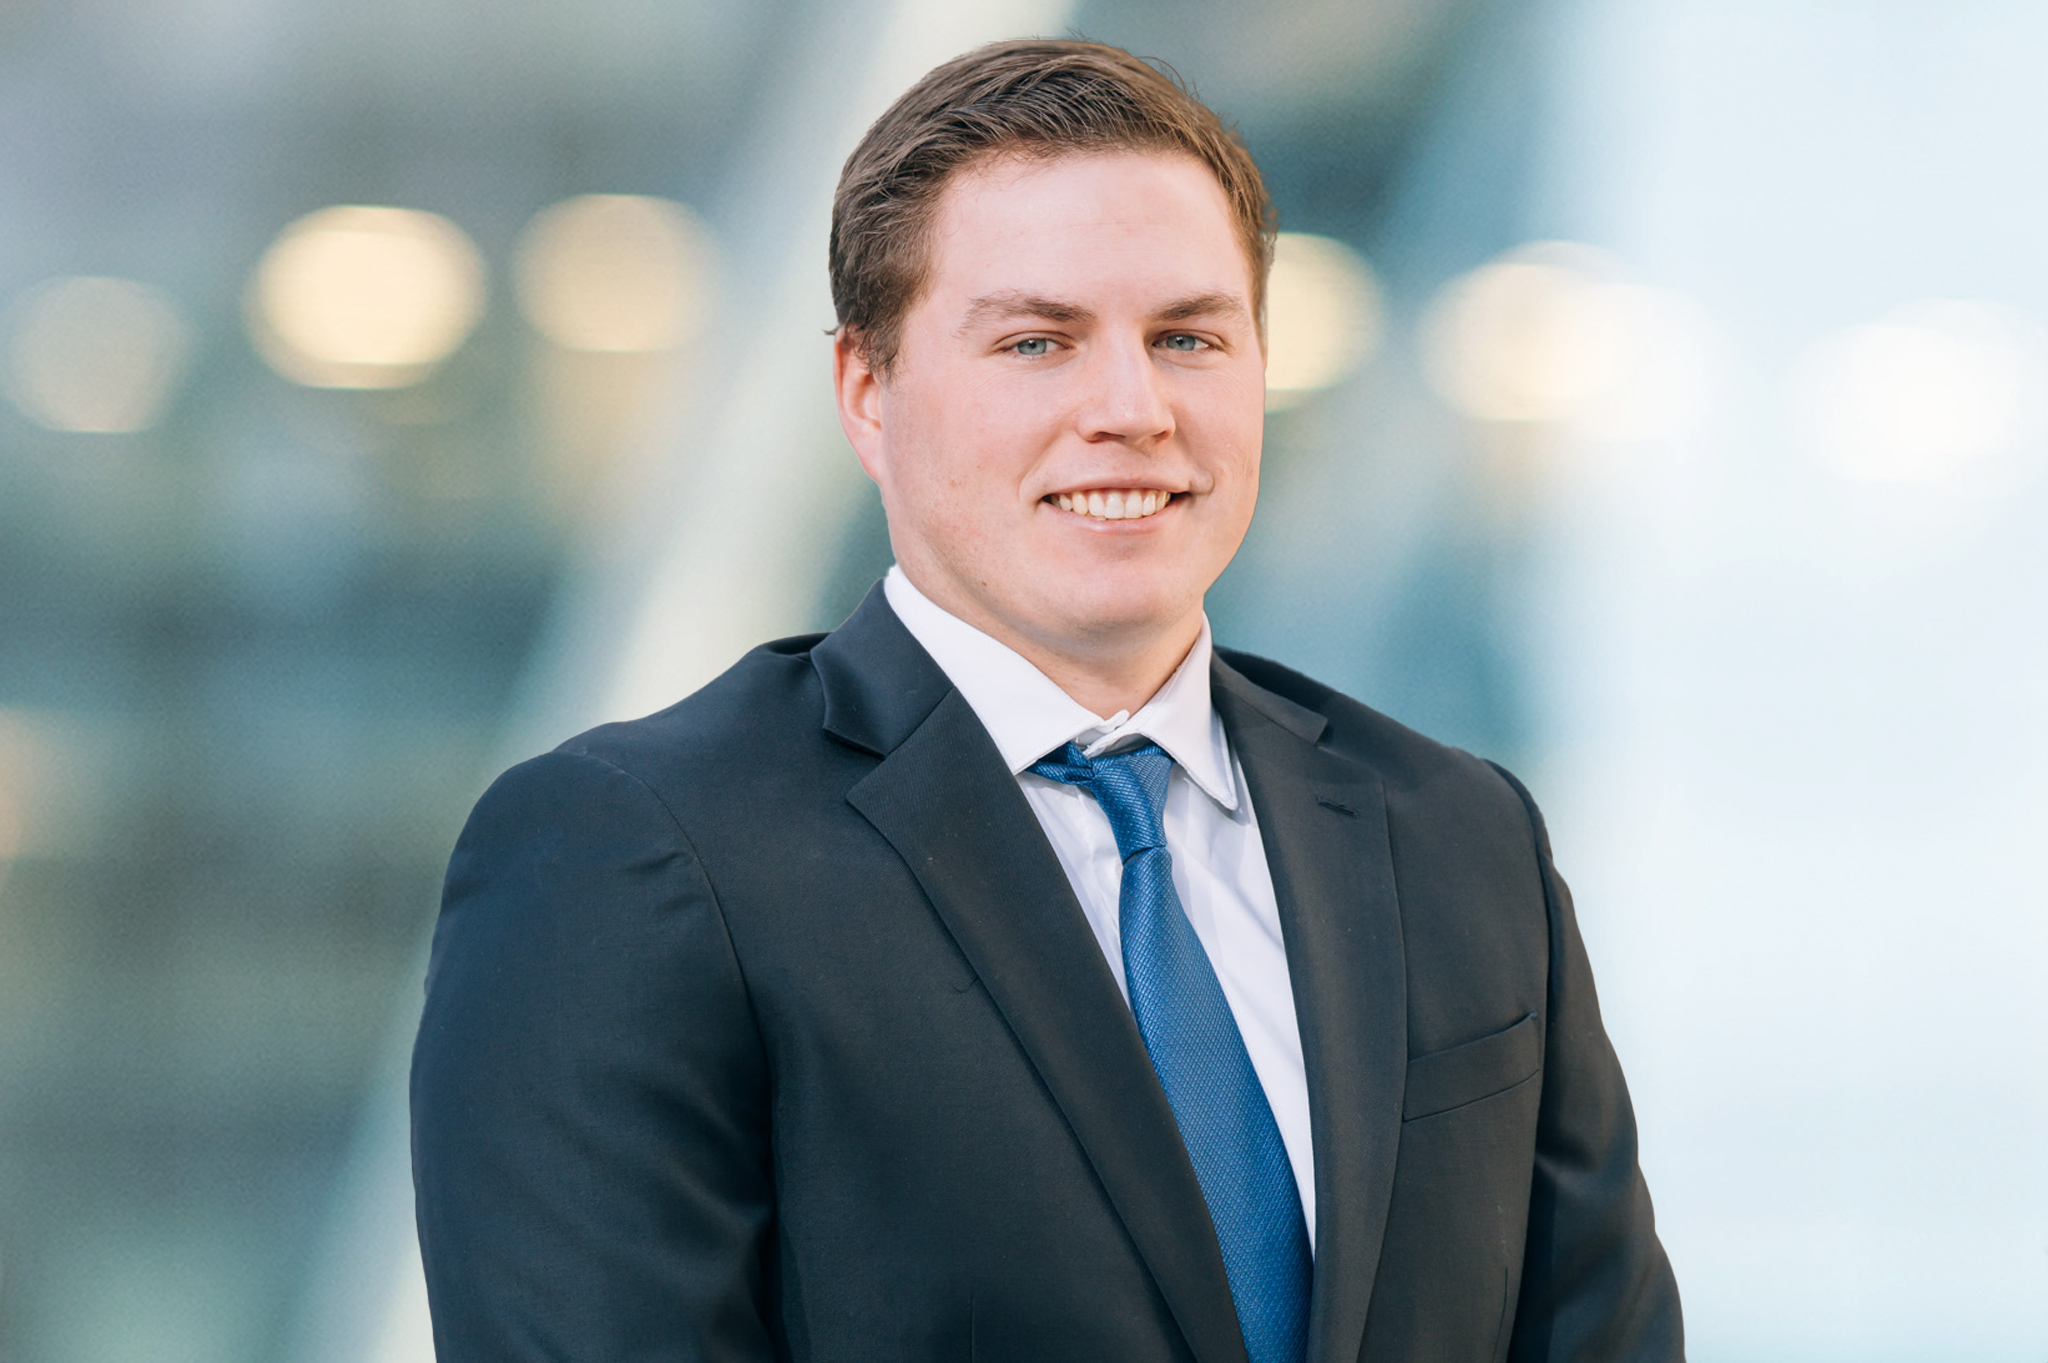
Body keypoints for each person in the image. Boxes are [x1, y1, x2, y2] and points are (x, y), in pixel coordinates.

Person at [410, 38, 1684, 1363]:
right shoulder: (625, 859)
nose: (1130, 408)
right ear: (867, 391)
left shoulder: (1458, 837)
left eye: (1188, 336)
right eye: (1037, 341)